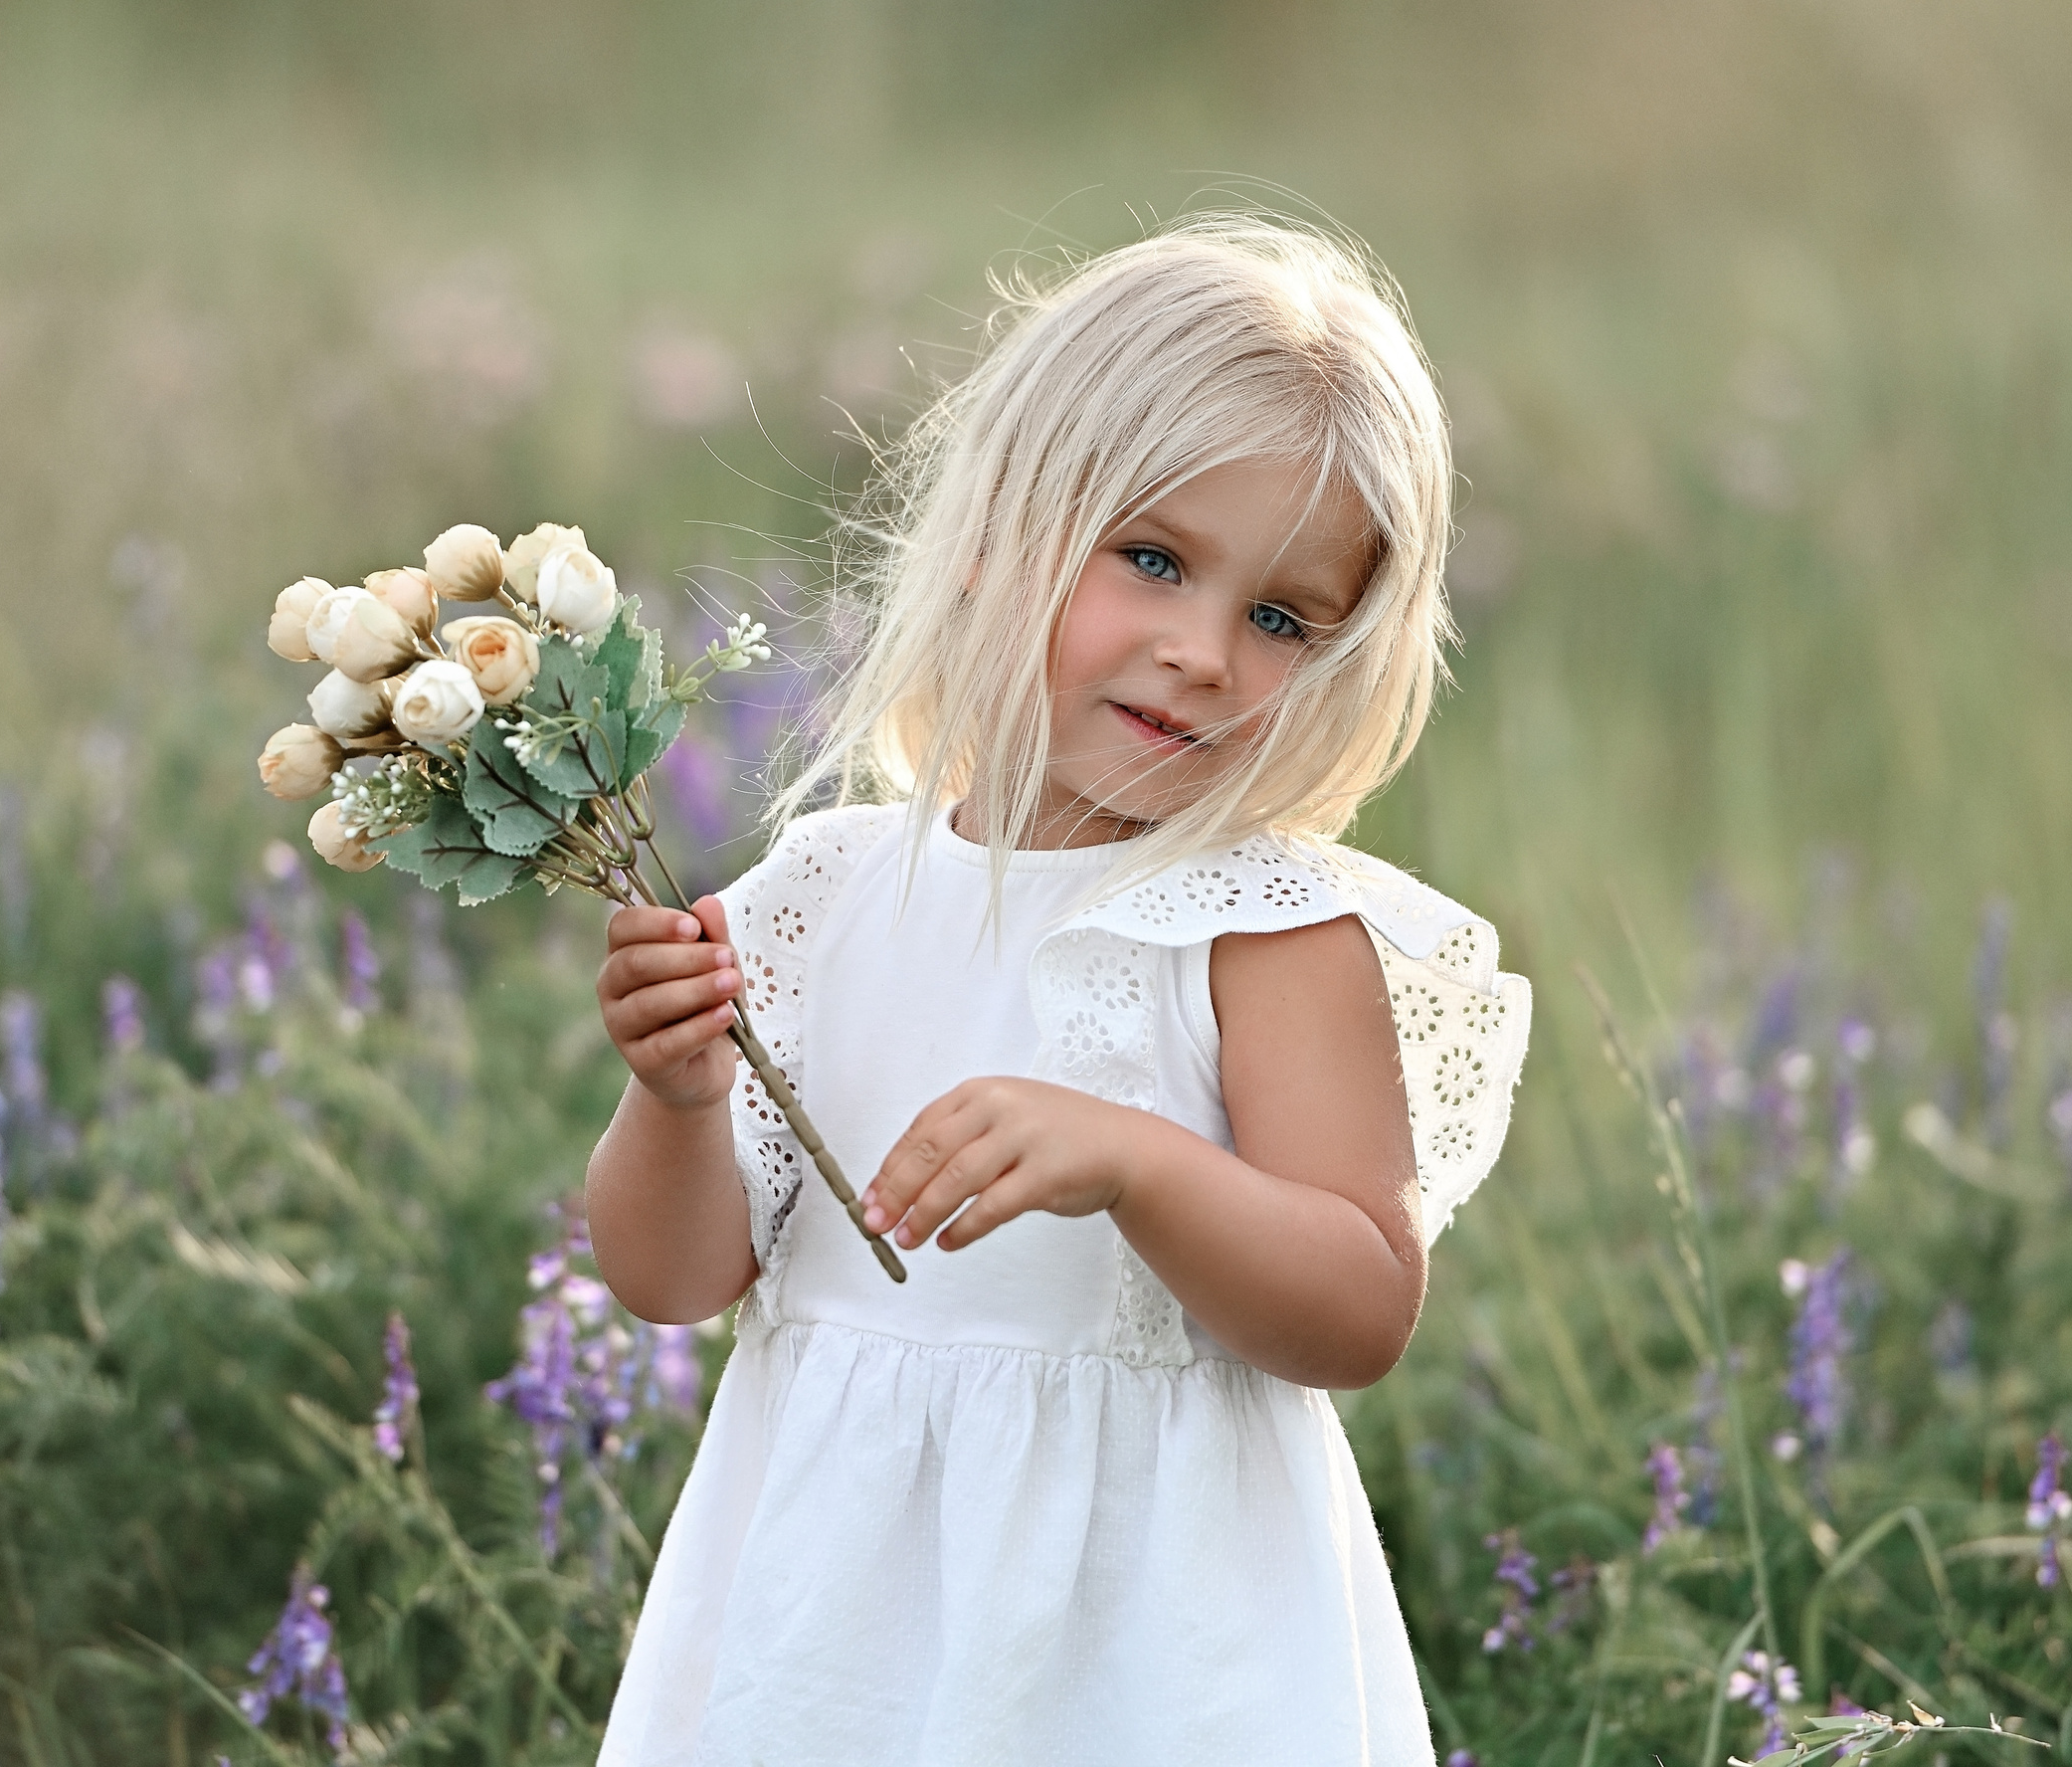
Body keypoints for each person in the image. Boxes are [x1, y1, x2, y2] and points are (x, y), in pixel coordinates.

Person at [585, 213, 1531, 1766]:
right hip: (837, 1636)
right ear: (995, 533)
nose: (1203, 653)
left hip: (1151, 1648)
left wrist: (1138, 1160)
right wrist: (675, 1097)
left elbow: (1357, 1306)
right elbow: (674, 1279)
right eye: (1152, 559)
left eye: (1281, 618)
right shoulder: (826, 894)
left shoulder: (1262, 932)